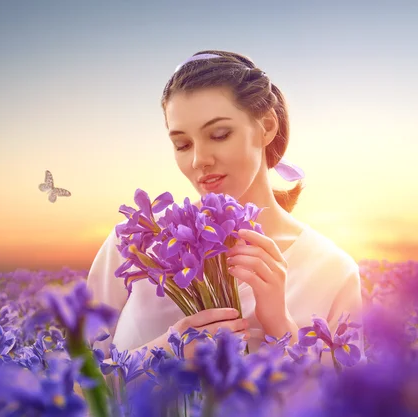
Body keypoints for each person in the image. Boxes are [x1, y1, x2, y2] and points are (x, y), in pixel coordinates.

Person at [86, 50, 364, 361]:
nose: (198, 160)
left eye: (219, 135)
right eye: (182, 144)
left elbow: (348, 398)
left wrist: (280, 327)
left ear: (267, 127)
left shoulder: (333, 272)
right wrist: (164, 354)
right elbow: (70, 387)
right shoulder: (137, 245)